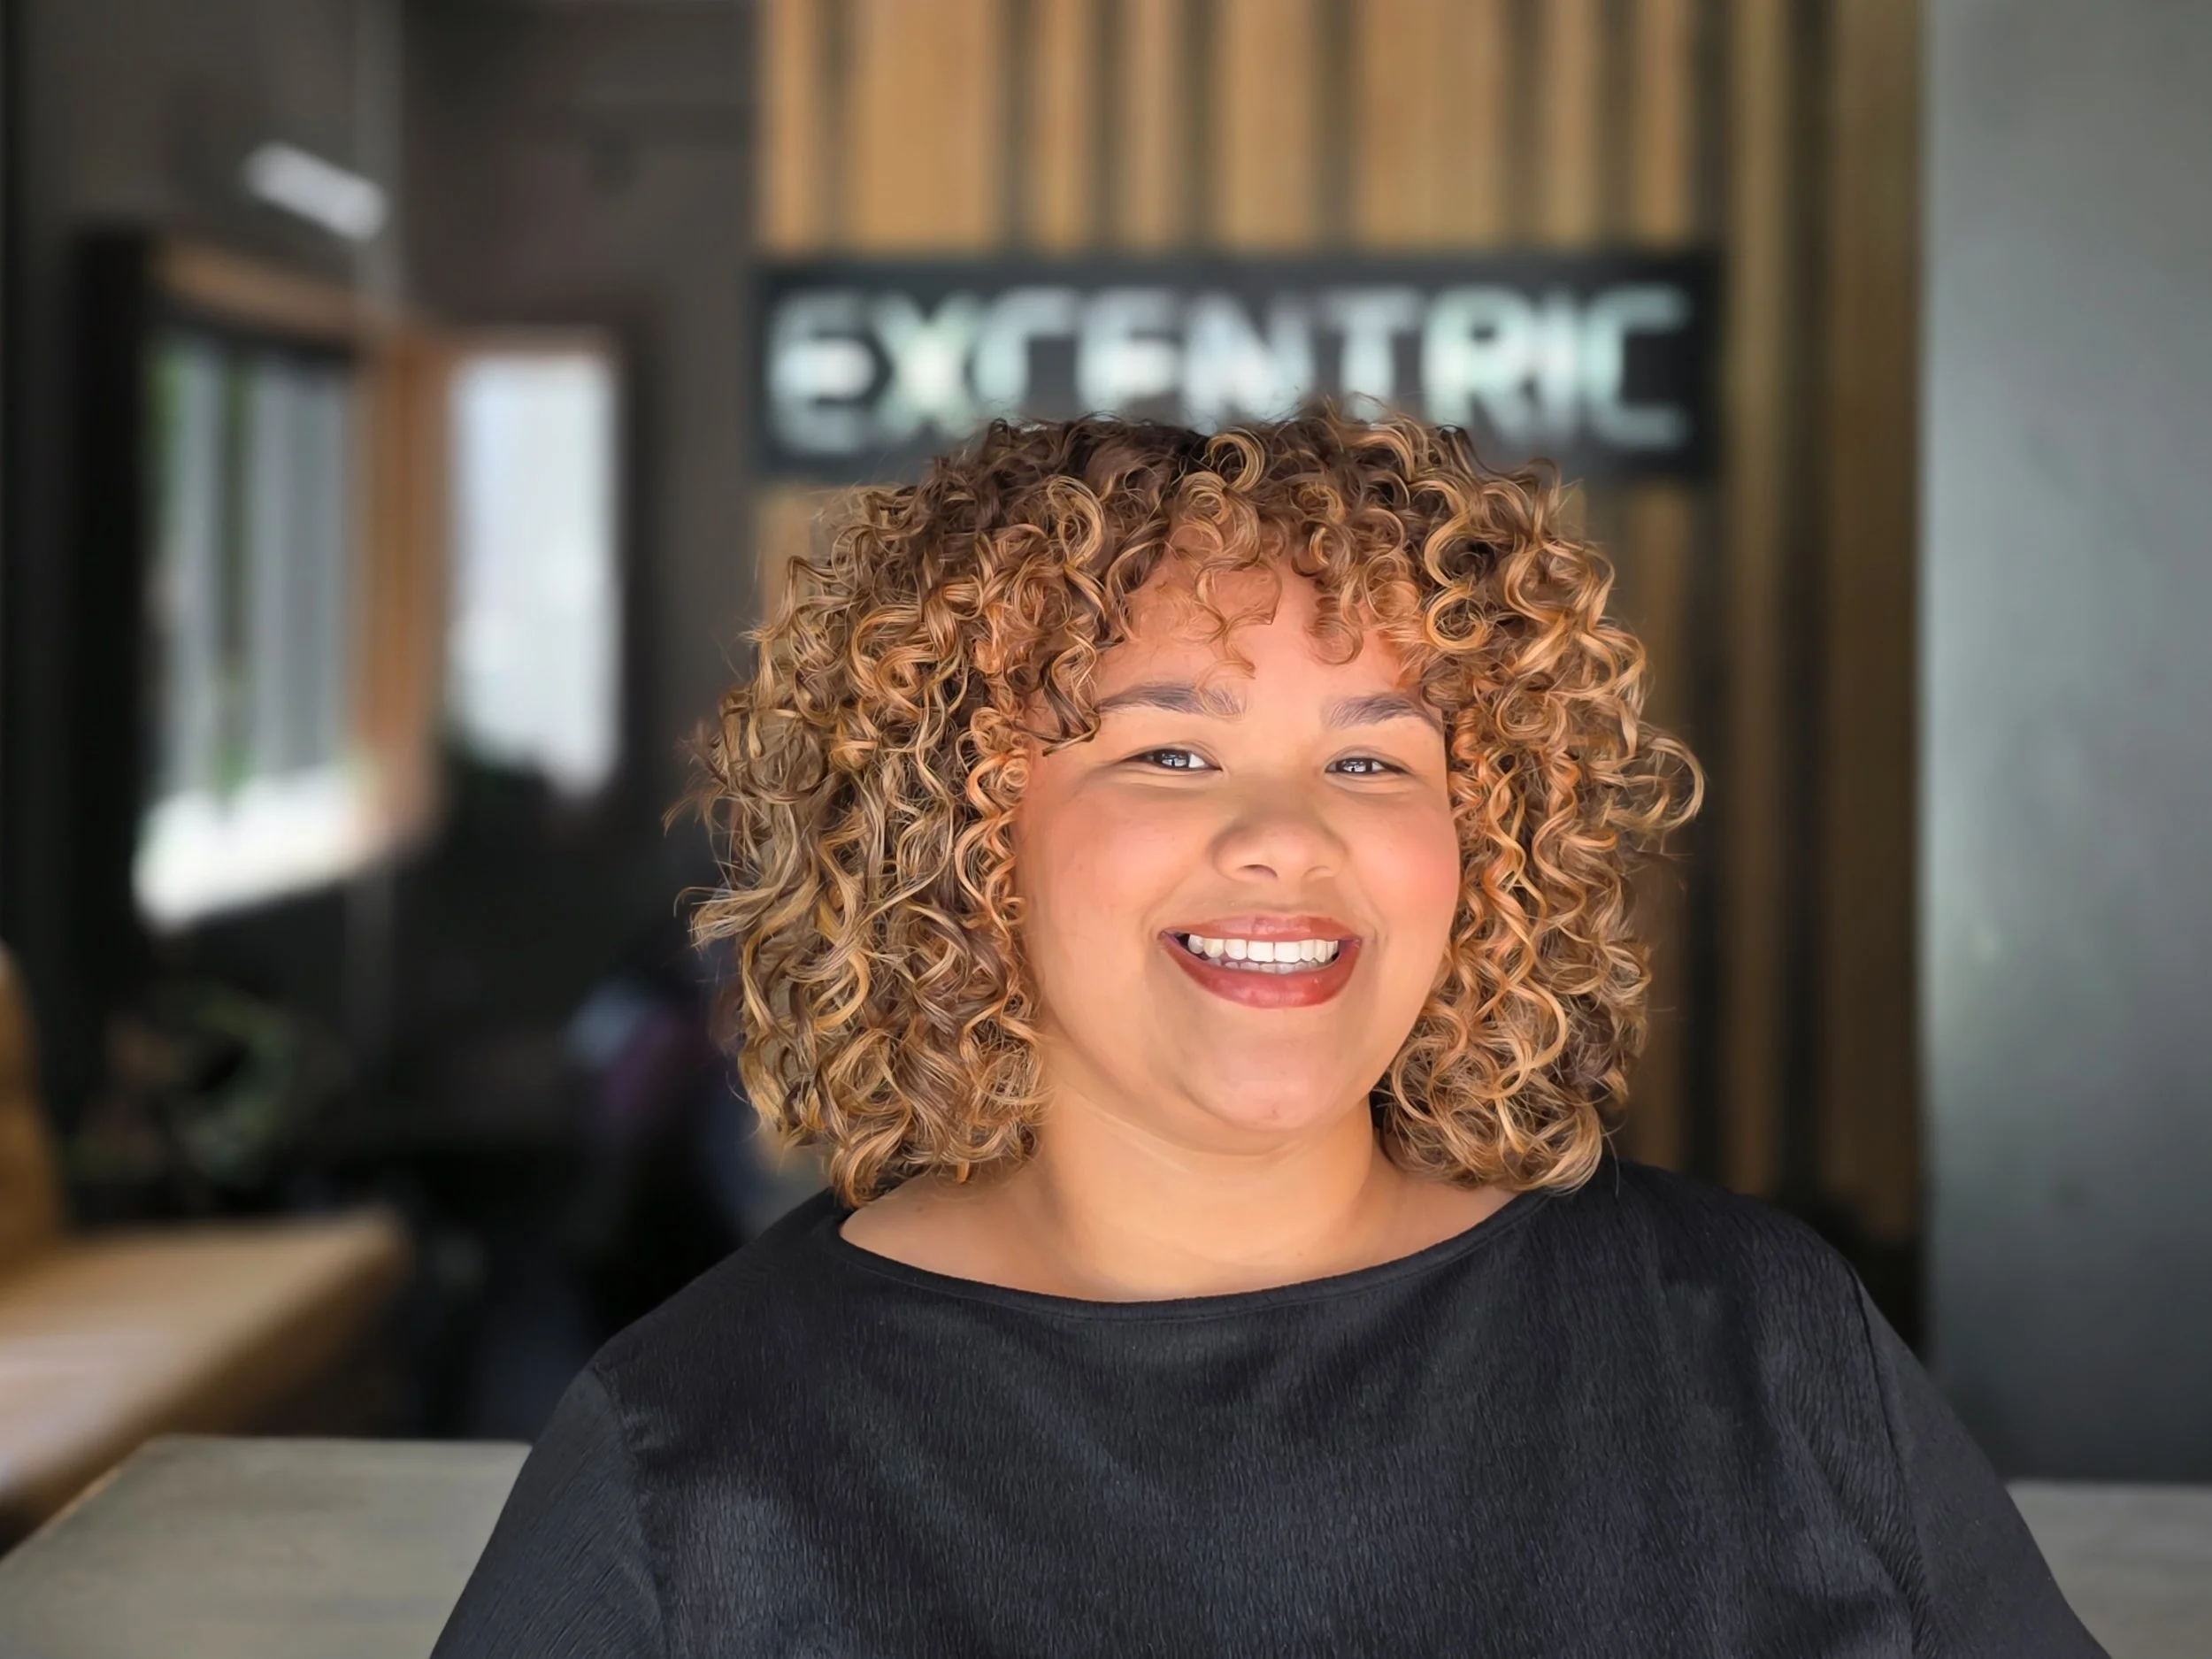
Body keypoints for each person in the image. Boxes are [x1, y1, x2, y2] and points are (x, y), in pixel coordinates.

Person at [432, 412, 2103, 1656]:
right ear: (960, 838)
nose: (1288, 835)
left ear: (1491, 847)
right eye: (1170, 753)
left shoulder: (1762, 1345)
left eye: (1378, 762)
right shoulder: (695, 1457)